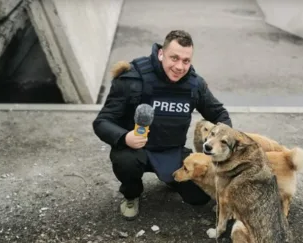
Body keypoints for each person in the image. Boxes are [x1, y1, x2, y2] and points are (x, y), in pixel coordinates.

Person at [93, 30, 232, 220]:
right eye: (174, 58)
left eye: (186, 61)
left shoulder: (194, 85)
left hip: (171, 151)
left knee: (199, 198)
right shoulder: (132, 78)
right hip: (136, 151)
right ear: (161, 54)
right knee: (125, 162)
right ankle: (131, 195)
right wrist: (125, 137)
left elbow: (219, 114)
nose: (179, 66)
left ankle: (170, 177)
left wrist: (222, 143)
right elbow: (102, 121)